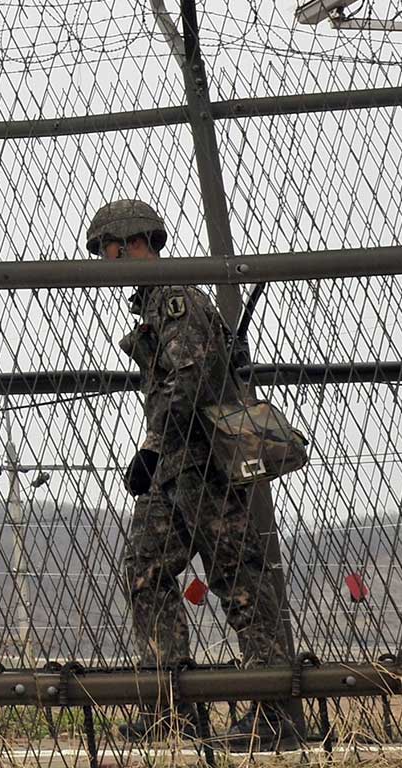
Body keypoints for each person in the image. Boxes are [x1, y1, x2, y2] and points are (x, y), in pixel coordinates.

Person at [90, 199, 306, 754]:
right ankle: (171, 707)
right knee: (146, 569)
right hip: (177, 465)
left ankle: (273, 711)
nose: (104, 262)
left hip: (200, 464)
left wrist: (151, 446)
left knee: (235, 578)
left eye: (106, 250)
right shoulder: (158, 301)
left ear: (128, 244)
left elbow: (186, 382)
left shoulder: (176, 298)